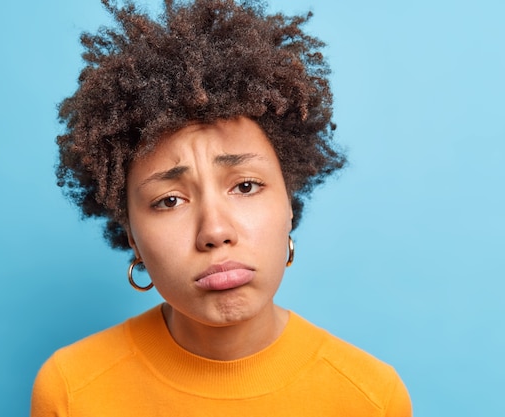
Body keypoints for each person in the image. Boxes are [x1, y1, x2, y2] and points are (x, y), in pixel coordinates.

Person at [30, 0, 412, 415]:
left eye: (245, 186)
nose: (214, 231)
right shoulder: (72, 390)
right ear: (131, 236)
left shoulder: (370, 397)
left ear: (289, 203)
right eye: (169, 200)